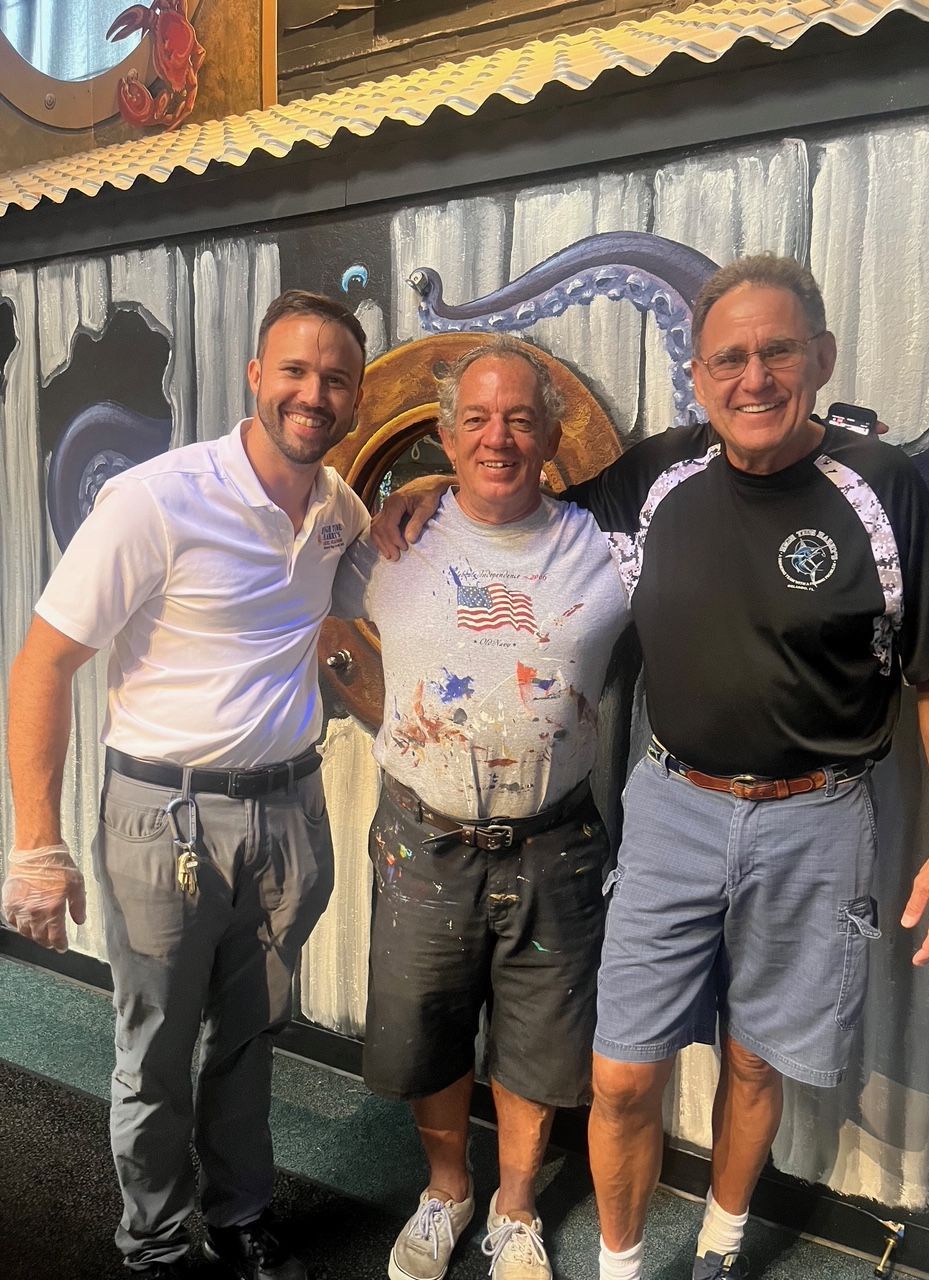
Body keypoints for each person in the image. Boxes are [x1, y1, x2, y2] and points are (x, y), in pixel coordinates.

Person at [370, 255, 929, 1280]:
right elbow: (509, 499)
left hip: (819, 817)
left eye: (778, 350)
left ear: (819, 357)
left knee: (753, 1056)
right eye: (728, 357)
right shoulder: (656, 479)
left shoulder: (882, 485)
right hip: (672, 808)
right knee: (622, 1072)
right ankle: (623, 1264)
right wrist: (424, 484)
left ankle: (723, 1246)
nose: (754, 377)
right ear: (697, 374)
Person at [1, 291, 370, 1280]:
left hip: (290, 813)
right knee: (156, 1053)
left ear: (357, 398)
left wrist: (422, 508)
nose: (313, 392)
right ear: (256, 377)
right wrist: (35, 841)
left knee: (252, 1040)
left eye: (336, 377)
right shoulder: (156, 498)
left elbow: (399, 588)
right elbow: (41, 664)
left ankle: (239, 1214)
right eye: (294, 370)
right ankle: (156, 1243)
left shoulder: (339, 509)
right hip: (162, 817)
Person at [332, 336, 631, 1280]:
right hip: (423, 838)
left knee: (542, 1037)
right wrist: (394, 498)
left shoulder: (608, 548)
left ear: (550, 433)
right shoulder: (386, 541)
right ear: (446, 435)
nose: (497, 437)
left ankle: (514, 1208)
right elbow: (277, 559)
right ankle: (447, 1190)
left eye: (518, 419)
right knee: (428, 1021)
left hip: (557, 839)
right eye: (476, 419)